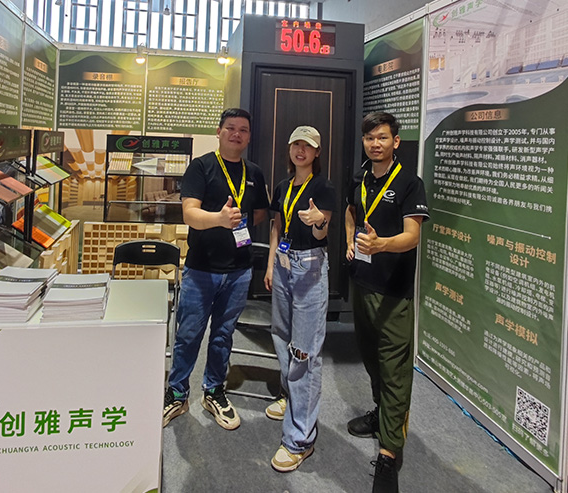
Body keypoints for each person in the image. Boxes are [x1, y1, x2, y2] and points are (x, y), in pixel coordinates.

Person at [163, 108, 269, 431]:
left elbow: (260, 213)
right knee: (188, 334)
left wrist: (238, 223)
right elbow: (190, 214)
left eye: (243, 130)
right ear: (219, 132)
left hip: (239, 271)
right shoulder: (201, 167)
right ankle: (177, 393)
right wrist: (220, 220)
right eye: (231, 128)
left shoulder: (254, 172)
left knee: (223, 335)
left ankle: (213, 391)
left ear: (249, 137)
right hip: (201, 269)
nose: (237, 134)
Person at [344, 112, 429, 493]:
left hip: (394, 292)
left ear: (395, 141)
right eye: (369, 138)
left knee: (394, 369)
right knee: (371, 359)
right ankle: (381, 415)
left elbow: (412, 236)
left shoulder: (410, 183)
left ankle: (389, 452)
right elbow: (351, 210)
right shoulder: (360, 177)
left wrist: (380, 245)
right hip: (362, 284)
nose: (374, 144)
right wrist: (351, 240)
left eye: (381, 137)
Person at [262, 126, 335, 472]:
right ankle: (290, 396)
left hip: (309, 267)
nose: (301, 150)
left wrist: (319, 221)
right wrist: (271, 264)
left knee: (305, 351)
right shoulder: (283, 186)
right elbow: (277, 226)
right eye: (296, 144)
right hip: (283, 264)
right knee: (281, 335)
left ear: (317, 152)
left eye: (308, 145)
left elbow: (323, 230)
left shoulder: (323, 188)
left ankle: (300, 439)